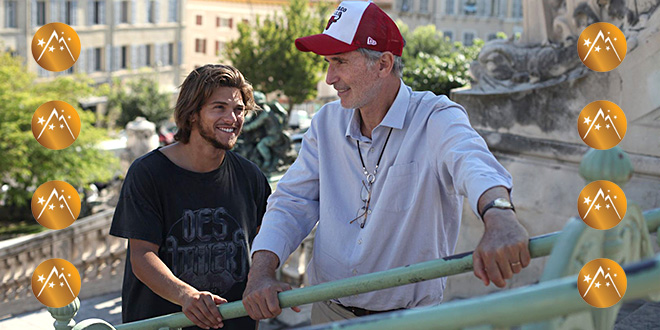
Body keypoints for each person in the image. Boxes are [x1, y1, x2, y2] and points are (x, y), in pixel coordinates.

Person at [242, 0, 531, 324]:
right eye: (327, 62)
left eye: (339, 61)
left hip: (409, 321)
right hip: (327, 312)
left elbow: (472, 161)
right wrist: (261, 271)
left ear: (383, 64)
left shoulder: (435, 117)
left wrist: (500, 215)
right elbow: (293, 201)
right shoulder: (326, 123)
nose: (328, 77)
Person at [110, 64, 270, 330]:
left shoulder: (249, 175)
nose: (232, 118)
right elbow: (142, 256)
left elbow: (267, 240)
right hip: (164, 324)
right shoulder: (147, 173)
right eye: (219, 107)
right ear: (193, 114)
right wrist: (188, 296)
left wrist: (266, 277)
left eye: (239, 109)